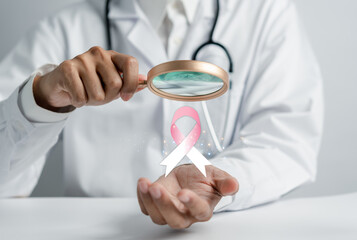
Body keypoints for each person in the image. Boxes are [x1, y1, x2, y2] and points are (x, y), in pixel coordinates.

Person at [0, 0, 323, 229]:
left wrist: (216, 182)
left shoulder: (267, 14)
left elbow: (287, 138)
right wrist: (39, 100)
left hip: (221, 230)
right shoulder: (63, 29)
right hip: (97, 232)